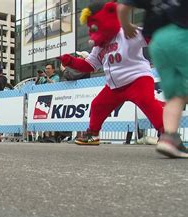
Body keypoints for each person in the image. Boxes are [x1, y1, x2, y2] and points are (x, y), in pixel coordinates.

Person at [60, 1, 164, 146]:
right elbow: (89, 65)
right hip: (114, 86)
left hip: (137, 78)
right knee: (97, 105)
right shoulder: (99, 45)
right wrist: (70, 61)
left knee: (147, 102)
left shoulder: (126, 32)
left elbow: (151, 37)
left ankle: (167, 134)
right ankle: (93, 134)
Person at [118, 0, 188, 158]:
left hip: (157, 42)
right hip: (182, 35)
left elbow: (122, 7)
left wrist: (127, 25)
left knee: (176, 96)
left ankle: (169, 138)